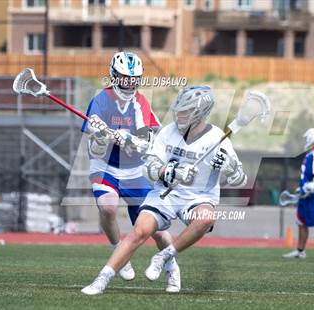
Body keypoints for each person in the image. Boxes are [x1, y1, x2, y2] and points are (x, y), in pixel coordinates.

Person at [81, 85, 247, 295]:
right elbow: (149, 167)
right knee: (139, 232)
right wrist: (171, 172)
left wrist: (230, 169)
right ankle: (101, 280)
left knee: (206, 218)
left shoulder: (218, 138)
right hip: (165, 194)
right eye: (178, 109)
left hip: (198, 197)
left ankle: (164, 256)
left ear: (200, 113)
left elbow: (240, 180)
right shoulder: (168, 132)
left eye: (185, 111)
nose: (179, 114)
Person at [82, 51, 179, 290]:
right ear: (114, 76)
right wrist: (103, 135)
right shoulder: (101, 100)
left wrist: (129, 139)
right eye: (125, 78)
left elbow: (146, 137)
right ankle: (119, 252)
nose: (130, 82)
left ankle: (171, 267)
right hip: (105, 166)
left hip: (136, 170)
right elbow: (93, 145)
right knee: (107, 206)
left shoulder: (141, 102)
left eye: (134, 78)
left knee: (152, 229)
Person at [283, 128, 314, 260]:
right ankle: (300, 251)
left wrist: (310, 186)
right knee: (302, 221)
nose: (306, 141)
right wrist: (302, 188)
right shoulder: (311, 154)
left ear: (313, 139)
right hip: (306, 195)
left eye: (308, 138)